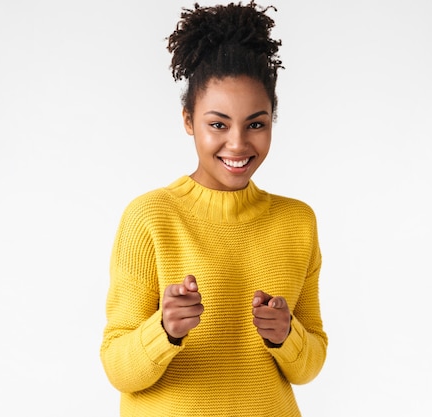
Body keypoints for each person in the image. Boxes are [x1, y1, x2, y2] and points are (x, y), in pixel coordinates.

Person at [100, 2, 327, 415]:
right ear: (188, 120)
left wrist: (286, 335)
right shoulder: (150, 217)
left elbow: (309, 366)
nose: (238, 143)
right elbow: (118, 368)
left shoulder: (297, 221)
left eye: (256, 124)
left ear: (273, 120)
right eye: (217, 124)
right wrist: (164, 330)